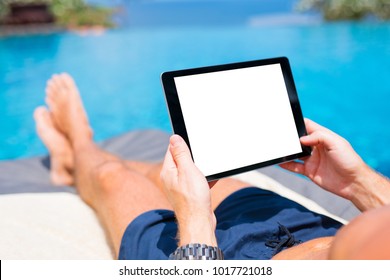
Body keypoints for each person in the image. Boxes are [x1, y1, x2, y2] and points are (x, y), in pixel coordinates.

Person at [34, 73, 390, 260]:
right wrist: (358, 185)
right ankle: (75, 162)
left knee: (112, 179)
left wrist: (196, 221)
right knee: (182, 171)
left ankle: (79, 144)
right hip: (308, 232)